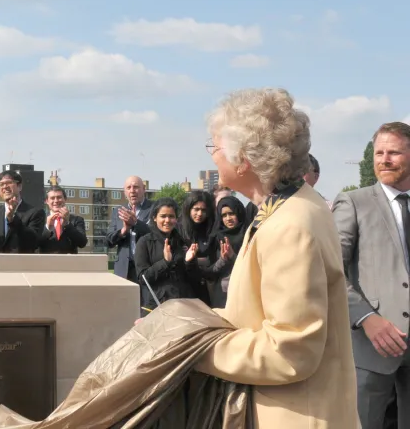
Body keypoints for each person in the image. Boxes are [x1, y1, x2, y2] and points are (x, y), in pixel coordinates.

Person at [197, 88, 358, 427]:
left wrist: (193, 350)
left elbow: (290, 351)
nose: (211, 156)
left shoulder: (290, 224)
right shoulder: (288, 206)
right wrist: (189, 324)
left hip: (293, 416)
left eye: (214, 147)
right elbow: (254, 312)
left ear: (244, 158)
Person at [332, 121, 410, 427]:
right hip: (371, 344)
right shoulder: (354, 202)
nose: (384, 159)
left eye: (394, 152)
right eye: (379, 152)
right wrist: (366, 318)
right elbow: (331, 269)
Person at [133, 198, 199, 312]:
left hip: (182, 305)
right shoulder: (144, 242)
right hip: (156, 306)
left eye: (171, 216)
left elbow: (194, 279)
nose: (167, 220)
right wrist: (165, 262)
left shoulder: (183, 242)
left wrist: (190, 262)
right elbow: (143, 278)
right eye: (163, 216)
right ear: (155, 218)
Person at [106, 176, 154, 281]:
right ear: (124, 192)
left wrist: (136, 223)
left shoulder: (154, 208)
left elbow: (155, 234)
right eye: (128, 187)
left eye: (136, 187)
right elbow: (109, 241)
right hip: (123, 269)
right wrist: (124, 230)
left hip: (147, 266)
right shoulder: (118, 211)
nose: (132, 191)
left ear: (144, 188)